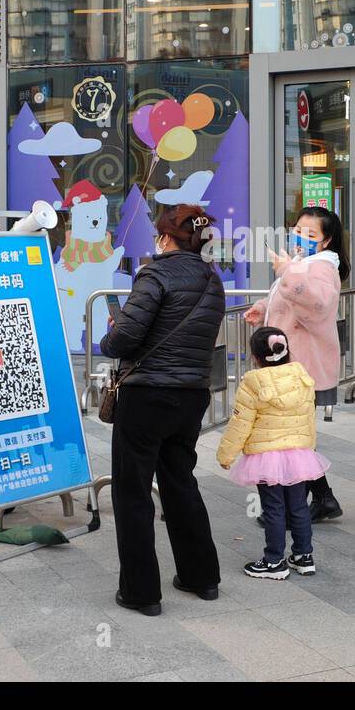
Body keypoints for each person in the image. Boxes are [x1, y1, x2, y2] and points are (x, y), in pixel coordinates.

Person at [99, 204, 226, 616]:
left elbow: (124, 340)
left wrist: (111, 333)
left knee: (133, 492)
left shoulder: (155, 273)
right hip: (191, 394)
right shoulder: (213, 280)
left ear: (166, 238)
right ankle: (201, 576)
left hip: (147, 395)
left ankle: (141, 592)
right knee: (180, 482)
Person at [244, 206, 347, 522]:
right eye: (298, 229)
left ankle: (294, 509)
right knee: (294, 437)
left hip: (301, 370)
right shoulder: (304, 264)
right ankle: (322, 498)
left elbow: (317, 304)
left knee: (290, 439)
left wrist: (288, 272)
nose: (301, 237)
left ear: (326, 240)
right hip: (289, 368)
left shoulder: (320, 268)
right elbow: (288, 301)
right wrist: (263, 309)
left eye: (311, 233)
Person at [217, 326, 331, 580]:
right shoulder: (301, 375)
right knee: (299, 506)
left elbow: (240, 422)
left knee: (274, 508)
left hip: (267, 457)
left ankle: (274, 561)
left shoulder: (253, 382)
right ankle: (304, 556)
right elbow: (308, 417)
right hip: (298, 454)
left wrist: (226, 454)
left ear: (256, 356)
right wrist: (308, 448)